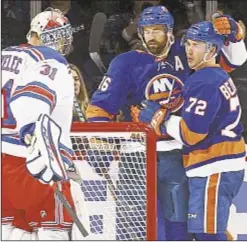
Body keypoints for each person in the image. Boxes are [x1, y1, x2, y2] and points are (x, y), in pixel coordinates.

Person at [86, 6, 247, 240]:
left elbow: (234, 59)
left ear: (169, 31)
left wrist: (235, 37)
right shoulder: (125, 63)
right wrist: (98, 141)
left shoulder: (188, 52)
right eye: (147, 31)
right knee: (133, 226)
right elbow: (101, 107)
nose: (151, 36)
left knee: (178, 225)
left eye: (157, 31)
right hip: (137, 155)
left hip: (178, 153)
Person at [131, 20, 246, 241]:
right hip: (214, 165)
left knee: (207, 234)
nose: (189, 50)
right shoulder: (215, 75)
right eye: (188, 44)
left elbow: (191, 135)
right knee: (204, 231)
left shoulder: (203, 81)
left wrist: (160, 118)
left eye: (196, 45)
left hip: (215, 166)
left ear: (212, 49)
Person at [2, 8, 75, 240]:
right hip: (30, 162)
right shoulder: (50, 60)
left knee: (8, 231)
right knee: (54, 234)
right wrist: (35, 138)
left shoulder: (4, 55)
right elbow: (29, 99)